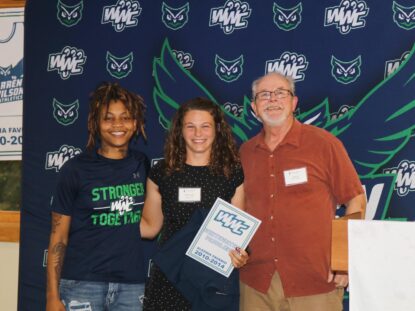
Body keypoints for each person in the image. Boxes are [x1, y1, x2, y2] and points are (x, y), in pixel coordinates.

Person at [239, 72, 366, 311]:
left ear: (294, 102)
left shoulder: (324, 144)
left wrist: (344, 259)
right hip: (256, 284)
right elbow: (237, 209)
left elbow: (355, 199)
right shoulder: (245, 153)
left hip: (315, 281)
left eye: (280, 93)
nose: (273, 100)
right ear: (254, 107)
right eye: (264, 95)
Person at [46, 82, 149, 311]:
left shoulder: (142, 165)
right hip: (82, 283)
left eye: (125, 117)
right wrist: (52, 296)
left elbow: (151, 224)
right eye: (108, 118)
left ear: (135, 122)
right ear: (95, 123)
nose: (117, 125)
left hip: (131, 286)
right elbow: (58, 237)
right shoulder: (75, 169)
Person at [140, 97, 248, 311]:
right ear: (180, 130)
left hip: (214, 280)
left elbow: (238, 233)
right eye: (191, 126)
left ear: (217, 129)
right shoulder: (162, 172)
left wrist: (241, 254)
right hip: (170, 278)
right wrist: (105, 223)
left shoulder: (233, 172)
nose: (198, 134)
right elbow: (150, 227)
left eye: (205, 126)